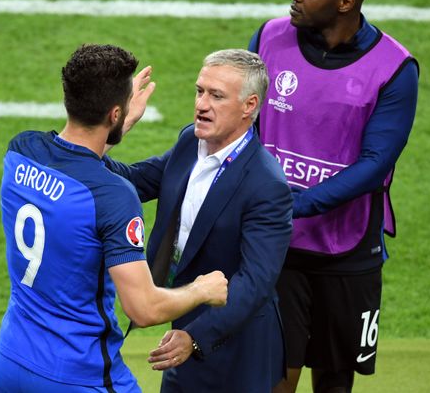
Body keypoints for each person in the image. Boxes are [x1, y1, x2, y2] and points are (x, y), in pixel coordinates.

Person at [0, 44, 228, 393]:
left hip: (11, 363)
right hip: (78, 375)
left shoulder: (22, 151)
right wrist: (201, 290)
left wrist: (114, 128)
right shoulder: (113, 197)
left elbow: (75, 168)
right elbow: (143, 308)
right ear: (115, 113)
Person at [248, 0, 419, 393]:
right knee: (272, 376)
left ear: (346, 1)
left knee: (335, 381)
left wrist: (296, 203)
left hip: (348, 250)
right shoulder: (269, 38)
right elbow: (241, 123)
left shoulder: (394, 68)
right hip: (276, 245)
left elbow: (376, 164)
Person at [104, 49, 293, 392]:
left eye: (216, 95)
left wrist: (194, 337)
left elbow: (254, 283)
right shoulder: (191, 141)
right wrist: (112, 128)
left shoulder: (267, 185)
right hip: (185, 331)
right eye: (200, 91)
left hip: (238, 350)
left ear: (250, 106)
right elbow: (128, 181)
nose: (202, 104)